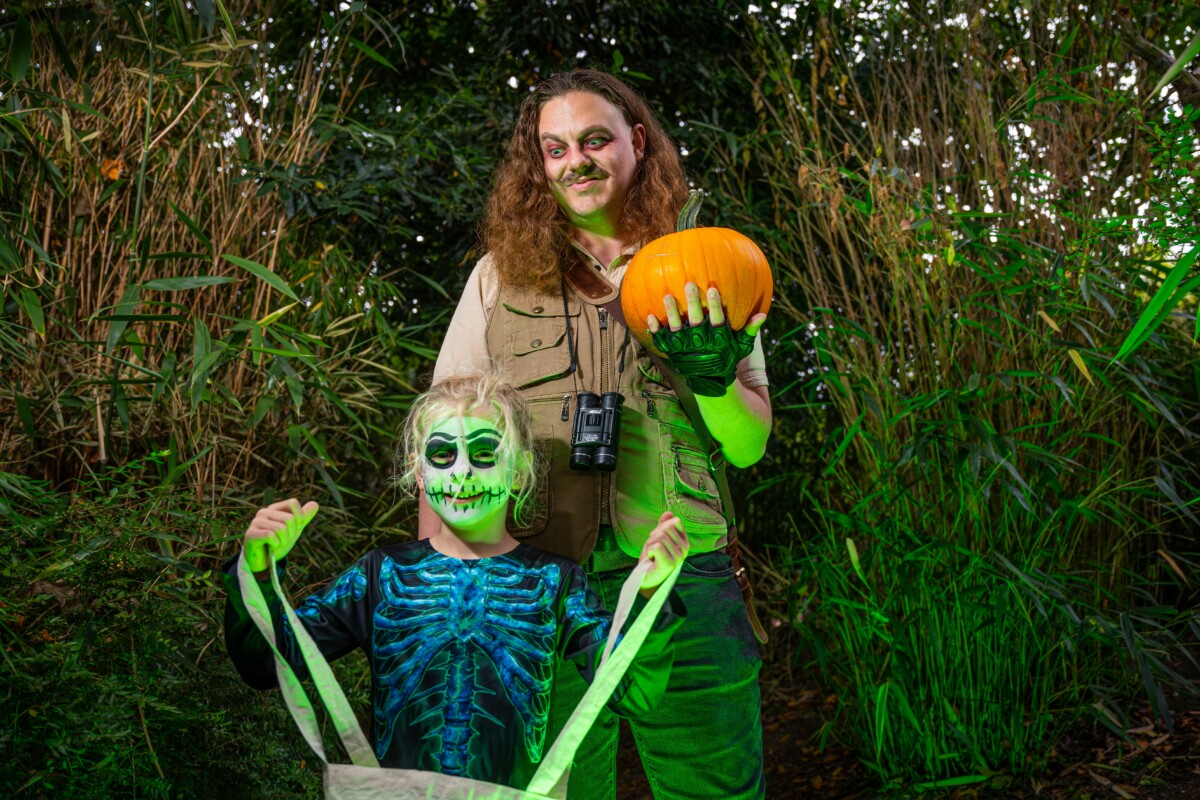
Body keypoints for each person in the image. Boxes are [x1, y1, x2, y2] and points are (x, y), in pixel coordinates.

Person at [425, 69, 771, 799]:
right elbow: (447, 445)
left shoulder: (714, 269)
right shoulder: (498, 277)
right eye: (554, 149)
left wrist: (714, 382)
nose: (574, 160)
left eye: (593, 140)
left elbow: (747, 445)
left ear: (636, 143)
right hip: (538, 590)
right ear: (539, 167)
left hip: (687, 586)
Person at [222, 372, 690, 791]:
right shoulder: (382, 574)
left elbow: (630, 691)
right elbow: (266, 661)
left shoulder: (554, 581)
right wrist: (259, 571)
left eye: (485, 453)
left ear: (520, 469)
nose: (462, 472)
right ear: (418, 472)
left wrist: (651, 591)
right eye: (442, 454)